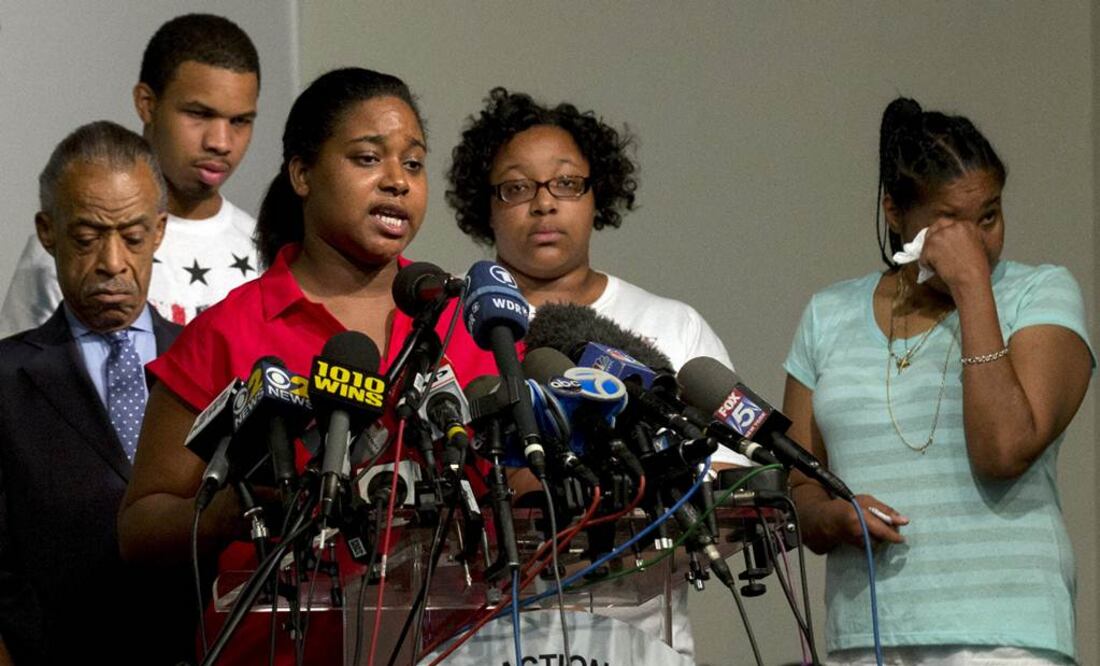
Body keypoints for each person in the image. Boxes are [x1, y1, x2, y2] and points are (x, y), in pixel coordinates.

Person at [117, 68, 498, 665]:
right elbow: (140, 526)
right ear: (302, 174)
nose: (397, 181)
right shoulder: (229, 331)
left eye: (414, 163)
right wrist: (233, 511)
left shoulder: (462, 322)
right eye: (368, 158)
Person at [782, 97, 1093, 665]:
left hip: (1004, 636)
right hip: (866, 636)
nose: (977, 241)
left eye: (990, 217)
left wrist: (974, 287)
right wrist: (831, 517)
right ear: (896, 212)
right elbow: (800, 484)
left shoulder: (1039, 294)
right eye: (952, 222)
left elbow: (1004, 450)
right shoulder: (827, 315)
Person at [446, 87, 738, 660]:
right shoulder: (445, 333)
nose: (544, 204)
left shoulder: (671, 326)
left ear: (595, 195)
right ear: (486, 206)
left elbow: (735, 494)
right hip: (482, 642)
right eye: (517, 188)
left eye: (566, 184)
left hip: (644, 641)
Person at [0, 121, 193, 664]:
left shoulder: (206, 364)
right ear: (48, 231)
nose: (112, 264)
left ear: (159, 231)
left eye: (133, 237)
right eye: (87, 238)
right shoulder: (6, 381)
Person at [0, 13, 261, 333]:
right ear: (147, 104)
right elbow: (19, 369)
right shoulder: (68, 245)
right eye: (199, 114)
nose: (221, 143)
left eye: (240, 121)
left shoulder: (265, 251)